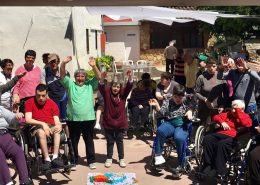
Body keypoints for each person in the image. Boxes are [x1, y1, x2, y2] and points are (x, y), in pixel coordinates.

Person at [60, 56, 101, 170]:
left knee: (88, 140)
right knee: (74, 141)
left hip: (88, 118)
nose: (80, 78)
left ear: (85, 77)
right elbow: (62, 74)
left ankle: (91, 160)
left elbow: (98, 77)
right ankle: (74, 160)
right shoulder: (70, 84)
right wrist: (63, 63)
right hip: (73, 118)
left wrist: (93, 66)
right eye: (78, 76)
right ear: (74, 77)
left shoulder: (90, 85)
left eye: (82, 76)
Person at [149, 84, 194, 177]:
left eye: (180, 97)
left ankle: (181, 164)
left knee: (179, 138)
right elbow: (162, 113)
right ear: (173, 95)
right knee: (160, 130)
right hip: (170, 123)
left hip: (182, 124)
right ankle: (158, 156)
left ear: (183, 96)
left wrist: (190, 111)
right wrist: (157, 105)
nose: (177, 99)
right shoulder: (168, 100)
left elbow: (193, 102)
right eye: (175, 97)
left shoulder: (187, 100)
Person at [201, 100, 252, 179]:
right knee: (208, 139)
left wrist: (239, 113)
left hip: (235, 137)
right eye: (232, 108)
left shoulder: (245, 116)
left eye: (236, 109)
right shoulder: (228, 114)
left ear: (242, 109)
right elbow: (216, 117)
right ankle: (208, 164)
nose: (233, 110)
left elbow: (247, 124)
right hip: (222, 133)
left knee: (221, 144)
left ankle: (219, 170)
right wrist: (222, 122)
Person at [25, 84, 64, 171]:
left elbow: (56, 120)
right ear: (35, 94)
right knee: (41, 132)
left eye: (43, 96)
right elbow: (28, 119)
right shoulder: (29, 102)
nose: (41, 98)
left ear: (47, 94)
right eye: (38, 95)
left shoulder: (52, 104)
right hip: (36, 126)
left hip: (50, 125)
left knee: (57, 130)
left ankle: (55, 157)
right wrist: (43, 124)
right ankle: (47, 160)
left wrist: (58, 125)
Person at [99, 70, 133, 168]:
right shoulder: (107, 93)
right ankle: (109, 158)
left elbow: (129, 86)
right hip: (108, 123)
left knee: (119, 141)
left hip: (120, 123)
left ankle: (121, 158)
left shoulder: (123, 95)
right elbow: (101, 86)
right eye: (114, 86)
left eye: (118, 87)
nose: (116, 88)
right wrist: (102, 77)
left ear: (120, 88)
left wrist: (130, 77)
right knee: (109, 142)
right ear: (111, 87)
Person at [0, 107, 33, 185]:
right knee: (0, 156)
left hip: (3, 134)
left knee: (18, 152)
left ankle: (25, 180)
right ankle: (7, 182)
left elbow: (12, 117)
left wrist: (16, 116)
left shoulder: (0, 109)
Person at [194, 58, 228, 125]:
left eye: (214, 66)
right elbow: (196, 92)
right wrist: (205, 100)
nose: (211, 68)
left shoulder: (221, 76)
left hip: (217, 109)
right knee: (203, 127)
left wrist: (222, 105)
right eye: (209, 66)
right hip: (204, 108)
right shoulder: (201, 77)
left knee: (215, 128)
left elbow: (226, 93)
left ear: (217, 66)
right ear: (206, 66)